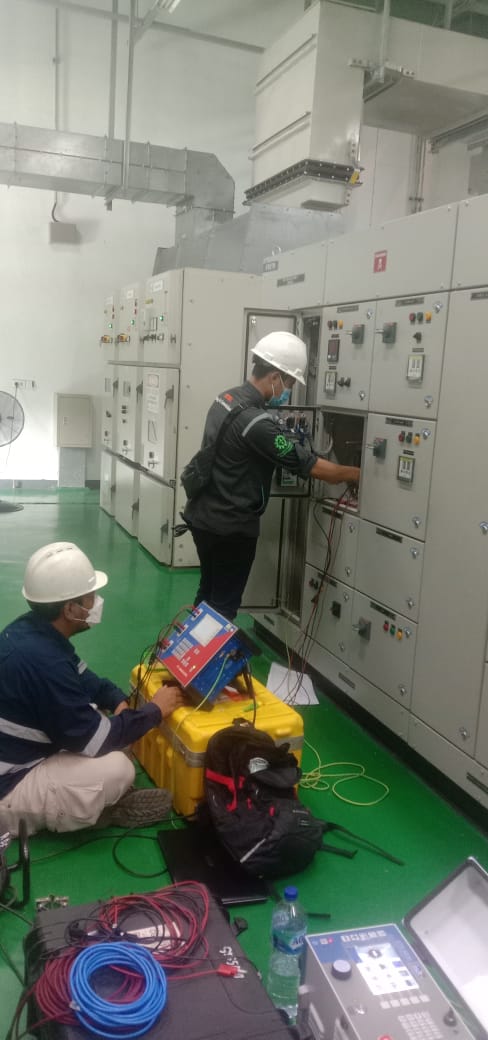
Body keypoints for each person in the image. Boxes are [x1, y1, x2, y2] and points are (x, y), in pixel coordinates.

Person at [0, 541, 184, 836]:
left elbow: (88, 681)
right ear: (69, 608)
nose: (96, 602)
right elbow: (97, 742)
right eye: (90, 597)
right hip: (9, 786)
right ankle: (92, 812)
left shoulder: (35, 631)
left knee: (105, 721)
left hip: (18, 750)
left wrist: (119, 700)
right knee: (118, 769)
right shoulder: (44, 663)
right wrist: (155, 711)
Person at [183, 331, 361, 621]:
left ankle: (188, 647)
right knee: (224, 607)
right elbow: (311, 466)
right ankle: (206, 650)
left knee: (208, 593)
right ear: (275, 376)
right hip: (230, 527)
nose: (287, 390)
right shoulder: (257, 423)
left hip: (202, 516)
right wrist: (355, 473)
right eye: (289, 383)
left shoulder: (225, 398)